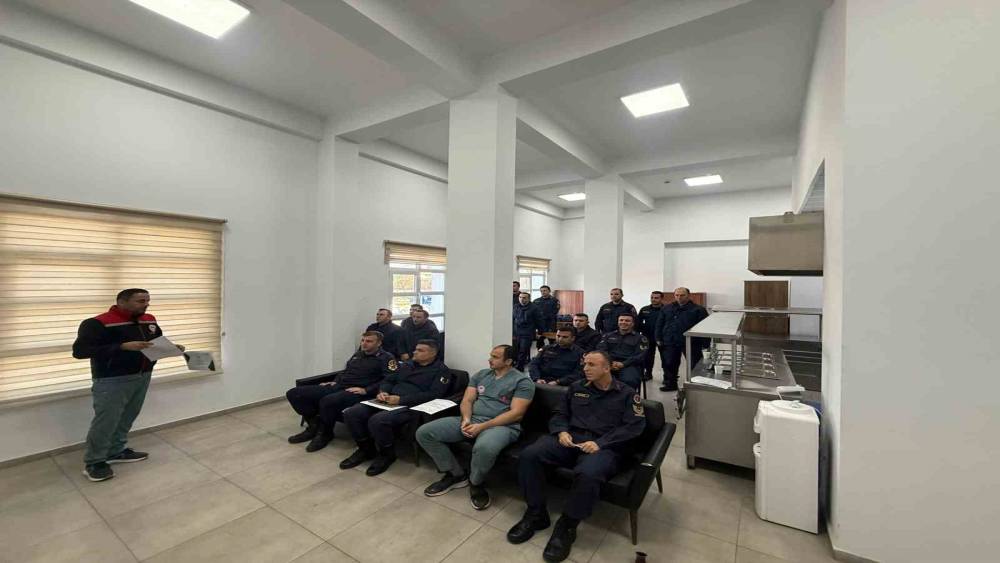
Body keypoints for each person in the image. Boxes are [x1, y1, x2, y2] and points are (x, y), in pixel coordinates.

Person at [507, 351, 646, 562]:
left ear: (607, 368)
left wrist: (600, 443)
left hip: (603, 446)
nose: (585, 368)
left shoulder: (627, 394)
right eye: (584, 364)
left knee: (588, 474)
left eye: (592, 364)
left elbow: (634, 427)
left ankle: (567, 526)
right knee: (530, 455)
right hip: (570, 438)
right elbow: (559, 413)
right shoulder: (576, 387)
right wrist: (561, 431)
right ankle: (536, 514)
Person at [72, 288, 185, 482]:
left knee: (128, 416)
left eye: (147, 300)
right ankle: (95, 462)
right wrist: (122, 346)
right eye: (140, 301)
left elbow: (154, 344)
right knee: (106, 421)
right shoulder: (98, 323)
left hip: (143, 375)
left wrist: (171, 348)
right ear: (122, 302)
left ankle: (116, 451)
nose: (146, 304)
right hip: (112, 379)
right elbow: (80, 351)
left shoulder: (149, 320)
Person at [416, 344, 534, 510]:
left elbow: (516, 414)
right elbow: (468, 400)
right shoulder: (481, 374)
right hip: (472, 419)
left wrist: (483, 426)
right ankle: (456, 474)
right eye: (490, 355)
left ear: (508, 361)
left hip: (502, 426)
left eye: (495, 357)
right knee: (425, 432)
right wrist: (466, 419)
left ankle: (476, 482)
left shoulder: (522, 382)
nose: (489, 359)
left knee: (484, 447)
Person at [339, 340, 451, 476]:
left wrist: (401, 400)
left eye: (420, 350)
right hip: (388, 399)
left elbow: (434, 394)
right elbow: (389, 380)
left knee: (378, 420)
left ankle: (387, 455)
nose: (415, 352)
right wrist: (383, 391)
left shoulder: (441, 370)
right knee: (352, 413)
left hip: (411, 405)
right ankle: (365, 449)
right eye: (415, 349)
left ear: (433, 354)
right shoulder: (407, 364)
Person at [285, 331, 394, 452]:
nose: (364, 344)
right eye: (363, 340)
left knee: (328, 401)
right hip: (339, 386)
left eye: (369, 341)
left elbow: (390, 379)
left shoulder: (387, 358)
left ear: (379, 343)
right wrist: (334, 381)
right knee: (295, 393)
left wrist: (366, 390)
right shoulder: (358, 354)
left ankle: (325, 434)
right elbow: (345, 371)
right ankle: (313, 427)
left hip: (358, 392)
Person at [655, 287, 709, 392]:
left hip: (691, 342)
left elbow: (705, 327)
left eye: (682, 295)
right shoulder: (667, 308)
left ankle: (695, 385)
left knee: (694, 364)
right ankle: (671, 384)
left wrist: (706, 344)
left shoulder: (698, 309)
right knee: (670, 363)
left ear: (688, 296)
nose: (679, 297)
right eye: (677, 295)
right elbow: (659, 324)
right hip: (670, 340)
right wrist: (658, 338)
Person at [595, 314, 648, 390]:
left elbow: (640, 356)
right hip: (608, 363)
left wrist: (623, 364)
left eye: (627, 321)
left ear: (633, 324)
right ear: (618, 322)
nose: (623, 322)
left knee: (629, 380)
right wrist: (610, 362)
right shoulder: (608, 336)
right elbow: (601, 350)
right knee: (595, 376)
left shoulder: (640, 338)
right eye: (621, 320)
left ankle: (626, 396)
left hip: (629, 365)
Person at [637, 291, 666, 381]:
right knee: (647, 357)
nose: (653, 299)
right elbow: (638, 322)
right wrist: (641, 332)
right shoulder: (644, 309)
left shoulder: (666, 309)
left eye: (656, 298)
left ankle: (667, 377)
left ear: (661, 299)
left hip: (662, 337)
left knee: (665, 358)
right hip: (647, 336)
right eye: (652, 297)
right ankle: (648, 374)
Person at [512, 292, 543, 370]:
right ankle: (516, 365)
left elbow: (539, 321)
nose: (522, 299)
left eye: (524, 298)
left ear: (529, 299)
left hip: (527, 332)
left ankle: (520, 367)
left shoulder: (534, 308)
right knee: (516, 350)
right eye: (520, 297)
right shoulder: (515, 306)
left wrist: (540, 332)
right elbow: (512, 319)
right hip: (516, 332)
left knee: (523, 350)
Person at [532, 285, 561, 351]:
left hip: (550, 323)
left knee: (552, 340)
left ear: (549, 291)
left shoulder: (554, 300)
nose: (543, 292)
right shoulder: (536, 301)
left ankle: (552, 353)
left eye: (545, 290)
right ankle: (540, 353)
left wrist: (543, 316)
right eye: (541, 291)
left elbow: (555, 311)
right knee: (540, 340)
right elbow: (534, 312)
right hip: (540, 324)